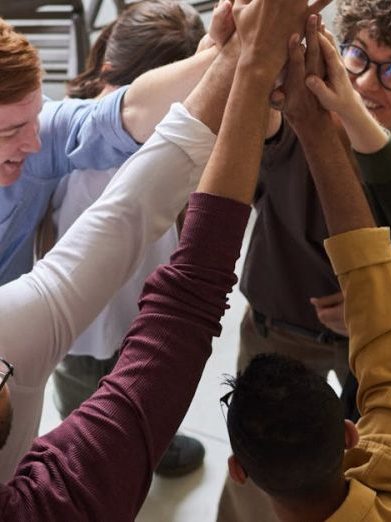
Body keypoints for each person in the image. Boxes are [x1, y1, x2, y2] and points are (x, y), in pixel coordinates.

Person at [0, 0, 328, 517]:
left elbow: (126, 135)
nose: (34, 141)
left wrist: (236, 56)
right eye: (9, 132)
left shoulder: (16, 322)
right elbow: (156, 265)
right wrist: (247, 63)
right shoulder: (56, 498)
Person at [217, 1, 391, 517]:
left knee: (355, 463)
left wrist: (372, 301)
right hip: (278, 329)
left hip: (375, 353)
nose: (362, 82)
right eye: (357, 54)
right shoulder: (297, 111)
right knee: (266, 471)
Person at [48, 0, 206, 478]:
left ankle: (147, 446)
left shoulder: (173, 135)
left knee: (141, 390)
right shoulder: (70, 137)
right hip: (81, 325)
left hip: (138, 305)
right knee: (85, 415)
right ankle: (88, 470)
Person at [0, 7, 227, 285]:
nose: (35, 143)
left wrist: (226, 55)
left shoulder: (47, 140)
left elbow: (124, 114)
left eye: (34, 117)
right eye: (11, 131)